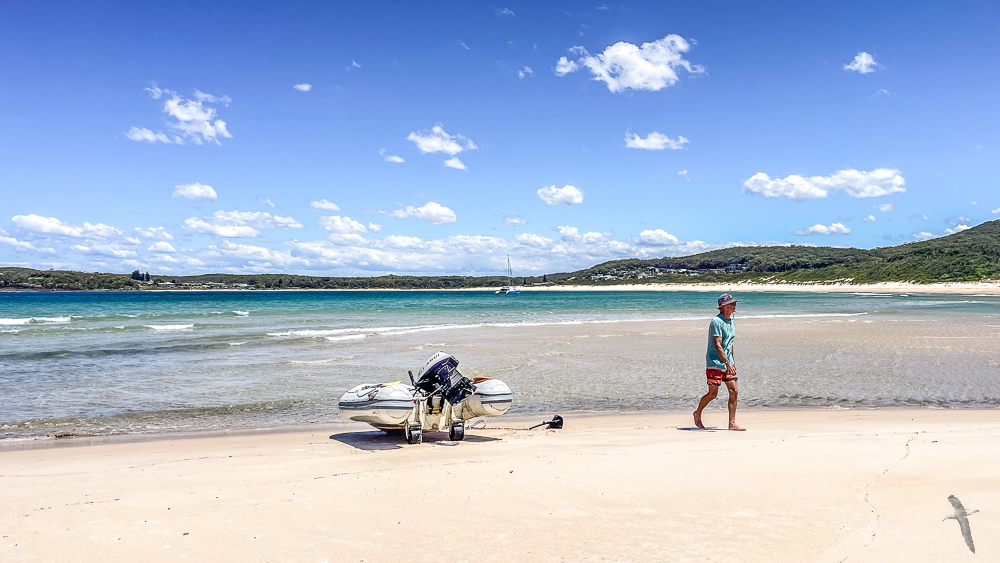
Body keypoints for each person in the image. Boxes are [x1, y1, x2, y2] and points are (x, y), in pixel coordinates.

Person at [693, 293, 745, 431]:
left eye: (735, 303)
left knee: (734, 390)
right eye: (732, 303)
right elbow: (717, 344)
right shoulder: (717, 321)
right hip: (715, 362)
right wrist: (726, 362)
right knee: (713, 394)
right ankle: (697, 413)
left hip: (728, 362)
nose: (735, 306)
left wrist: (731, 362)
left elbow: (730, 344)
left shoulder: (732, 322)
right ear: (723, 306)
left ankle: (732, 424)